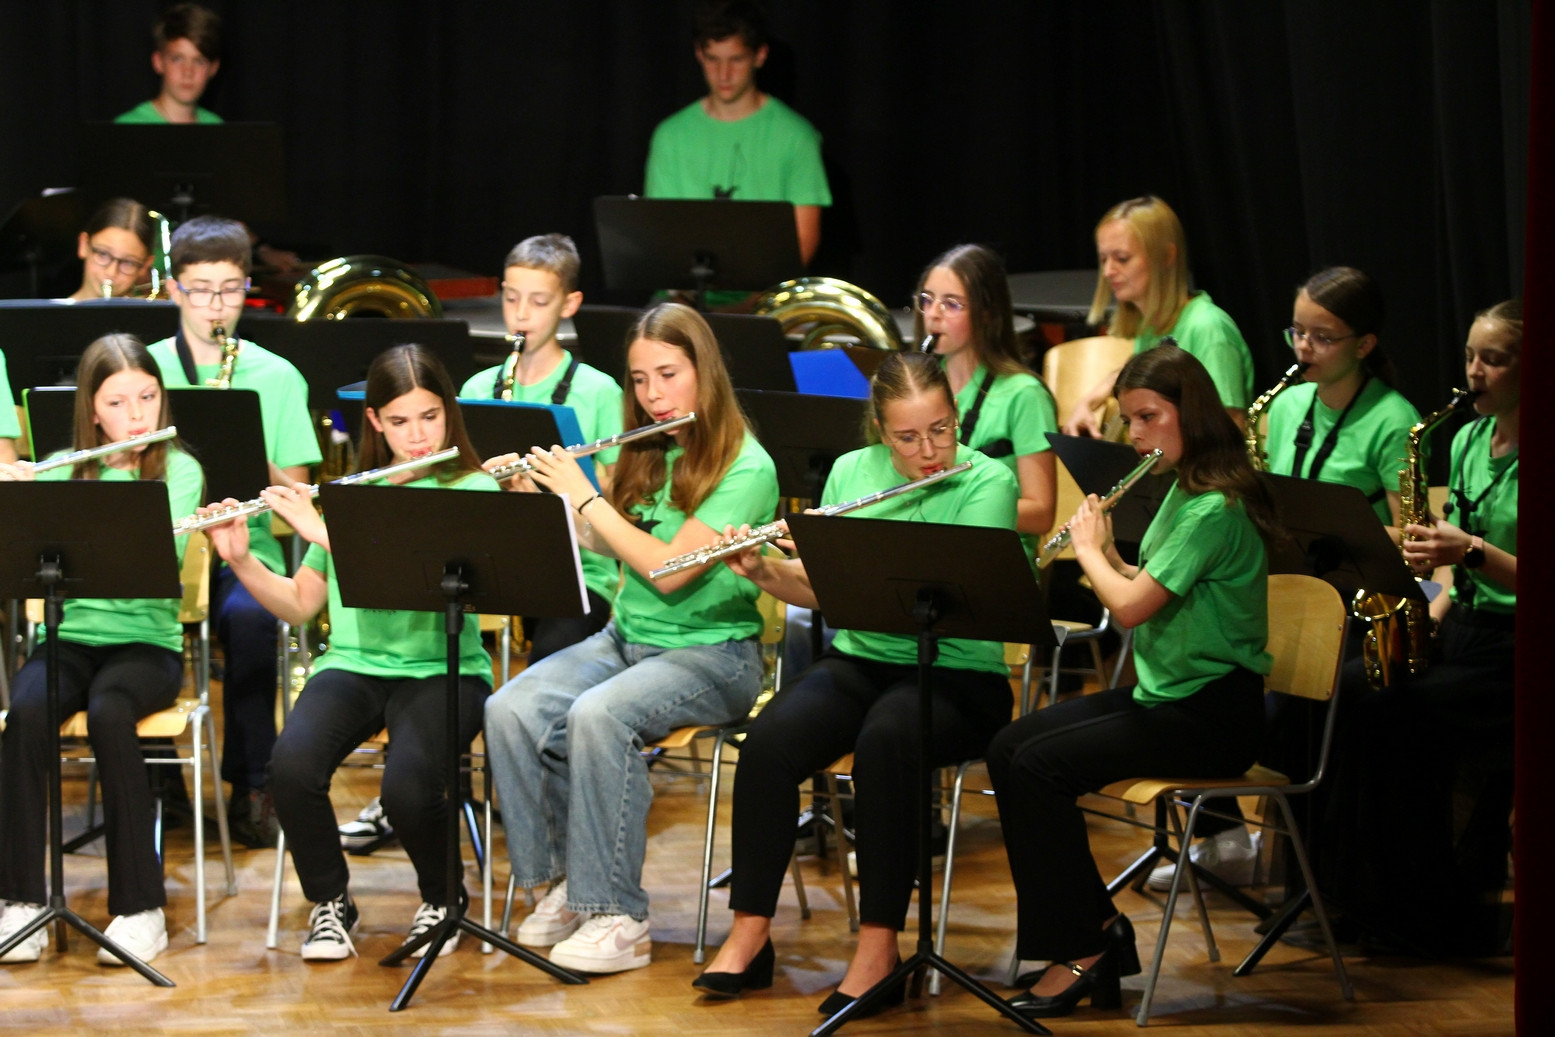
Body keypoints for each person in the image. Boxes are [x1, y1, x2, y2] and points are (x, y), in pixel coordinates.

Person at [693, 351, 1019, 1015]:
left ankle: (879, 947)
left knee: (885, 741)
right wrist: (763, 568)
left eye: (941, 430)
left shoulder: (989, 479)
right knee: (770, 740)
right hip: (867, 656)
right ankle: (751, 933)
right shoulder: (850, 470)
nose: (928, 450)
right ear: (878, 429)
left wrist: (855, 555)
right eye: (907, 437)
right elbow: (827, 596)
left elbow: (948, 589)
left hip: (957, 671)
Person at [484, 302, 778, 974]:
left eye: (668, 375)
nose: (652, 396)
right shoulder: (644, 446)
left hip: (713, 653)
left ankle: (619, 914)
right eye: (639, 380)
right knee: (509, 708)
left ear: (705, 370)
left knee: (598, 715)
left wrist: (582, 495)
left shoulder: (747, 465)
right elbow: (605, 541)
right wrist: (544, 494)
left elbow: (668, 571)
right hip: (628, 636)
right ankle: (562, 884)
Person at [987, 344, 1278, 1019]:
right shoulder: (1182, 486)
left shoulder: (1217, 505)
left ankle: (1083, 949)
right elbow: (1142, 586)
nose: (1138, 435)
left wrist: (1087, 550)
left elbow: (1127, 607)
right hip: (1168, 696)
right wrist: (1108, 550)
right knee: (1008, 746)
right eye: (1130, 420)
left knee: (1037, 768)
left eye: (1149, 417)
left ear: (1192, 413)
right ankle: (1094, 932)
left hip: (1212, 715)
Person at [200, 344, 499, 961]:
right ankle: (330, 901)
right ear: (374, 423)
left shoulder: (474, 485)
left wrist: (323, 530)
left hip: (443, 667)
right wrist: (242, 558)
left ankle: (444, 901)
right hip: (357, 665)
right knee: (290, 767)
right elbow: (300, 603)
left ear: (450, 415)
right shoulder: (355, 491)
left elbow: (429, 579)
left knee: (408, 789)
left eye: (430, 417)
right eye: (400, 421)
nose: (417, 436)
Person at [1146, 265, 1423, 893]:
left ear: (1365, 344)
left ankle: (1318, 875)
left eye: (1322, 337)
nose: (1303, 348)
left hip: (1352, 609)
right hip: (1281, 595)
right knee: (1194, 669)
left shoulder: (1391, 417)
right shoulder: (1287, 403)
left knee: (1281, 722)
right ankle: (1228, 844)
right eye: (1297, 331)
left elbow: (1410, 537)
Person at [1318, 299, 1519, 956]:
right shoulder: (1462, 438)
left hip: (1517, 648)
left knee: (1395, 712)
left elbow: (1477, 557)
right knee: (1351, 687)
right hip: (1462, 625)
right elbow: (1450, 566)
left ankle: (1431, 908)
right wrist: (1423, 615)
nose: (1474, 372)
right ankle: (1354, 898)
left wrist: (1468, 551)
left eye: (1493, 358)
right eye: (1469, 356)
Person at [0, 334, 205, 966]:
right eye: (119, 403)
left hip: (147, 644)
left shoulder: (181, 470)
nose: (138, 416)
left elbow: (155, 560)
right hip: (73, 639)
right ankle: (22, 902)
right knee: (27, 715)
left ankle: (141, 908)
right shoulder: (62, 467)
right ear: (94, 411)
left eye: (148, 397)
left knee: (114, 713)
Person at [147, 214, 321, 848]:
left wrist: (244, 451)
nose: (215, 305)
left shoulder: (276, 376)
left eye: (229, 290)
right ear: (173, 290)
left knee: (251, 621)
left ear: (247, 288)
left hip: (246, 544)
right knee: (137, 607)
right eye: (200, 289)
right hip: (164, 543)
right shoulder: (144, 371)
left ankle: (252, 783)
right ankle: (156, 778)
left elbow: (293, 501)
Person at [462, 234, 624, 661]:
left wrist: (550, 488)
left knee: (546, 661)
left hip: (581, 569)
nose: (520, 315)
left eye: (538, 302)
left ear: (569, 305)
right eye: (511, 298)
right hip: (498, 559)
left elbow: (618, 490)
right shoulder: (479, 388)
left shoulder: (599, 390)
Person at [645, 0, 831, 271]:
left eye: (736, 59)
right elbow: (658, 233)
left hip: (765, 302)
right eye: (713, 59)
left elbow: (803, 241)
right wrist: (685, 302)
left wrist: (750, 305)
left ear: (760, 55)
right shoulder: (670, 136)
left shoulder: (796, 137)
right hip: (681, 301)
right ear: (698, 53)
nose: (724, 74)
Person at [1063, 196, 1254, 436]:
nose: (1108, 271)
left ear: (1166, 256)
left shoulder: (1208, 327)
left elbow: (1229, 429)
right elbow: (1131, 372)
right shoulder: (1152, 326)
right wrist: (1088, 402)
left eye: (1122, 259)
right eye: (1104, 259)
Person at [915, 244, 1058, 541]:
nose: (933, 315)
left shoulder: (1024, 395)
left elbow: (1042, 513)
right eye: (927, 300)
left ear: (986, 315)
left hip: (997, 555)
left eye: (952, 304)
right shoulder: (920, 386)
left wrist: (953, 508)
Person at [115, 3, 223, 125]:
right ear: (158, 62)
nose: (188, 72)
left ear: (213, 68)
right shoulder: (128, 126)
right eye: (177, 59)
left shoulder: (217, 127)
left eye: (199, 61)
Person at [65, 198, 157, 301]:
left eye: (128, 262)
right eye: (103, 254)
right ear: (84, 245)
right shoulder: (48, 316)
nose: (111, 272)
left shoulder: (154, 317)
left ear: (145, 265)